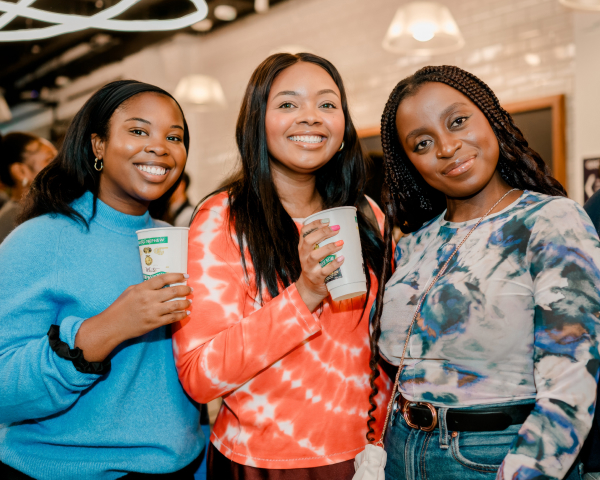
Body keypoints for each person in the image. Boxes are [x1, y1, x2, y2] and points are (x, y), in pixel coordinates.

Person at [368, 65, 600, 480]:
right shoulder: (415, 242)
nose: (447, 146)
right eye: (422, 143)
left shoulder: (550, 220)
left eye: (458, 121)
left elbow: (572, 381)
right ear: (410, 163)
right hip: (401, 449)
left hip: (494, 455)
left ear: (490, 117)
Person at [172, 53, 390, 479]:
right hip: (266, 463)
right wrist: (306, 292)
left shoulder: (366, 215)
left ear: (344, 126)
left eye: (327, 104)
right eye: (288, 104)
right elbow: (199, 376)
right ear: (257, 122)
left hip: (370, 456)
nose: (311, 117)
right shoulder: (223, 218)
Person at [0, 80, 204, 479]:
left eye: (174, 136)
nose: (160, 147)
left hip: (182, 466)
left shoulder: (186, 241)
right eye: (139, 131)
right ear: (97, 145)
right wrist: (105, 330)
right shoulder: (41, 239)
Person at [0, 131, 56, 243]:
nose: (62, 165)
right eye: (49, 160)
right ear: (20, 172)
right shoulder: (7, 222)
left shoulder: (55, 204)